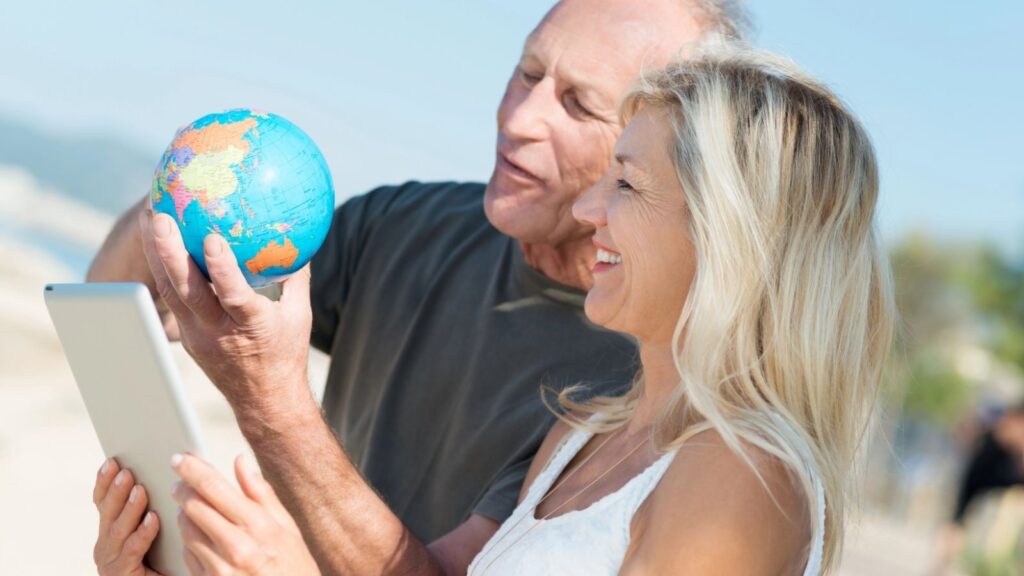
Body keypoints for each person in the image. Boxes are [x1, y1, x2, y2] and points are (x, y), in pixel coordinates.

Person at [97, 49, 895, 574]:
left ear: (730, 239)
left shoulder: (742, 474)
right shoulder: (581, 435)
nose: (589, 208)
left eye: (625, 182)